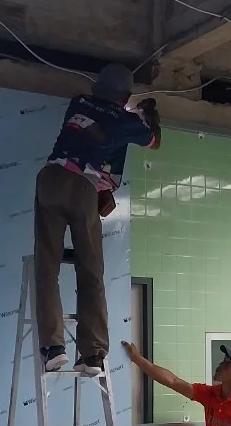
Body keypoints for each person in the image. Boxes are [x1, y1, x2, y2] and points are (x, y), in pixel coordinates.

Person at [35, 64, 160, 377]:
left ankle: (53, 349)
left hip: (50, 179)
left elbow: (92, 136)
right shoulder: (127, 120)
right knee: (90, 270)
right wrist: (149, 115)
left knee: (46, 265)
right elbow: (153, 141)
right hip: (82, 188)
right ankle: (92, 355)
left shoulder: (78, 102)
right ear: (126, 97)